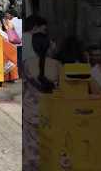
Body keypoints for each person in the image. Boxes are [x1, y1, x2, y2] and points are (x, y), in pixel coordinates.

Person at [22, 33, 61, 171]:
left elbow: (24, 87)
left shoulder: (27, 64)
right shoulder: (57, 65)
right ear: (49, 46)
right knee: (50, 145)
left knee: (31, 147)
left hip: (31, 110)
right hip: (50, 111)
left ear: (33, 47)